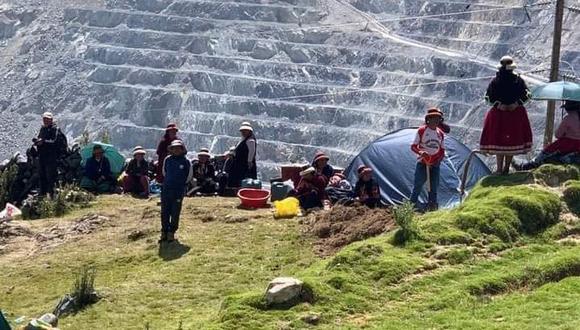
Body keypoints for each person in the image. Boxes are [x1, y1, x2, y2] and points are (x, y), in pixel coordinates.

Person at [480, 56, 533, 175]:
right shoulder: (517, 80)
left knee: (504, 141)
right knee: (508, 141)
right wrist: (514, 104)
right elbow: (527, 95)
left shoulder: (499, 81)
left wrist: (500, 105)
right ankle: (504, 169)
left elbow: (488, 97)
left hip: (502, 115)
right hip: (512, 114)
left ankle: (502, 169)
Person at [513, 100, 580, 170]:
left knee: (545, 154)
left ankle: (527, 166)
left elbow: (558, 135)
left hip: (566, 144)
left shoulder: (568, 118)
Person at [410, 109, 446, 211]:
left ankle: (432, 206)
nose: (435, 120)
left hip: (435, 164)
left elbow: (442, 150)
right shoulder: (422, 131)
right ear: (428, 119)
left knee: (433, 187)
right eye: (433, 118)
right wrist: (421, 152)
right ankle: (411, 206)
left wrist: (438, 160)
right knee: (418, 185)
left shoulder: (440, 134)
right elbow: (413, 146)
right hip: (423, 163)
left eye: (437, 118)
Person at [160, 140, 192, 243]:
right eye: (174, 148)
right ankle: (164, 231)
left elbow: (189, 176)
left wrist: (181, 185)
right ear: (171, 150)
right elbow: (164, 172)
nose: (176, 150)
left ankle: (171, 232)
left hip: (178, 190)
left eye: (179, 148)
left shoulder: (186, 162)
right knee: (164, 211)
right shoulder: (167, 160)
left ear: (182, 149)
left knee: (175, 211)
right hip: (166, 189)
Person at [33, 112, 68, 197]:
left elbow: (54, 140)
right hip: (43, 156)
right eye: (44, 119)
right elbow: (40, 139)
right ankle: (43, 194)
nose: (45, 121)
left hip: (52, 157)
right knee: (42, 176)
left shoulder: (55, 129)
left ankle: (52, 196)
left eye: (47, 119)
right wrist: (37, 141)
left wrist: (43, 142)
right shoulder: (43, 129)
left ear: (51, 120)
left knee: (51, 177)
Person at [228, 122, 257, 187]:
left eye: (245, 131)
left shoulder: (250, 140)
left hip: (244, 164)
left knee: (244, 178)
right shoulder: (244, 139)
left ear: (249, 131)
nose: (243, 132)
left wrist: (249, 162)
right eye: (242, 131)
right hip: (239, 163)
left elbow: (251, 152)